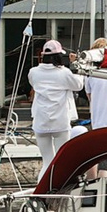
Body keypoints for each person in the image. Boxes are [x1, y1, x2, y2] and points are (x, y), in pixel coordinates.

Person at [26, 39, 84, 169]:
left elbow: (33, 83)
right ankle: (59, 188)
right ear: (58, 56)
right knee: (61, 161)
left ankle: (42, 188)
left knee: (47, 162)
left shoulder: (33, 72)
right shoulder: (63, 73)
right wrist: (76, 64)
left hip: (40, 122)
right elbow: (78, 85)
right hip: (60, 122)